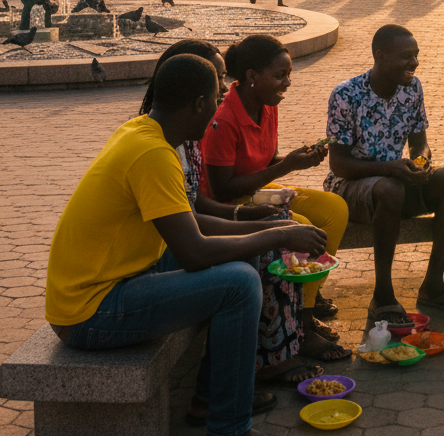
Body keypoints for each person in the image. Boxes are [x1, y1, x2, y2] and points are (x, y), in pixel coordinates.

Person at [45, 54, 327, 436]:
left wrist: (255, 226)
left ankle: (211, 395)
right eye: (215, 99)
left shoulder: (141, 131)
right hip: (90, 311)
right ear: (198, 104)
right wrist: (279, 235)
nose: (217, 110)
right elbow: (194, 252)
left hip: (118, 279)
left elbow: (186, 222)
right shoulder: (153, 154)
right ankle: (230, 426)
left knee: (251, 252)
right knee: (240, 285)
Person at [138, 41, 322, 412]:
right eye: (218, 81)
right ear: (196, 98)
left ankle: (277, 348)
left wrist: (250, 219)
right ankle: (250, 373)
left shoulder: (180, 138)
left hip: (171, 242)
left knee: (268, 239)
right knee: (247, 268)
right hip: (141, 267)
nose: (226, 89)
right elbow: (192, 243)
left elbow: (192, 206)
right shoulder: (155, 148)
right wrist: (269, 231)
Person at [201, 35, 350, 359]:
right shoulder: (223, 119)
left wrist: (297, 159)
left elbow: (264, 160)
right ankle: (302, 326)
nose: (287, 82)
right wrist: (285, 167)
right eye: (280, 75)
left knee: (334, 208)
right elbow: (223, 188)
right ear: (252, 76)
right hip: (230, 207)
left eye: (289, 73)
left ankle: (307, 306)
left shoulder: (266, 105)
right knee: (303, 225)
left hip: (258, 194)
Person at [322, 25, 444, 325]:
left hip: (397, 182)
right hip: (350, 187)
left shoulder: (412, 89)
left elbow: (420, 142)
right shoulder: (346, 95)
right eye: (406, 56)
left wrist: (421, 162)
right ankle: (383, 295)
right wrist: (390, 168)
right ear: (381, 56)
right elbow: (339, 164)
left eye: (416, 55)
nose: (414, 63)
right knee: (390, 189)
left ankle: (433, 285)